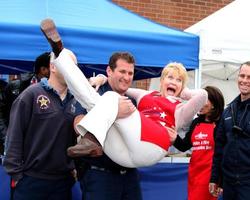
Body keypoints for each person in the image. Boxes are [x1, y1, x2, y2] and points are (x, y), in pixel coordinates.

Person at [2, 53, 84, 200]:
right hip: (31, 181)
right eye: (68, 65)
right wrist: (17, 175)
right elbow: (14, 136)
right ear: (52, 66)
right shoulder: (31, 95)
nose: (73, 70)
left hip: (63, 183)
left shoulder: (77, 100)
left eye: (75, 67)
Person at [173, 86, 225, 200]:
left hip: (210, 178)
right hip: (194, 175)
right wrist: (173, 136)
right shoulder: (196, 122)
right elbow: (183, 146)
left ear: (214, 104)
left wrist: (219, 180)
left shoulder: (221, 123)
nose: (200, 103)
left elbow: (224, 154)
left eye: (204, 100)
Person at [209, 62, 250, 200]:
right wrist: (215, 178)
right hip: (229, 184)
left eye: (249, 77)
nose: (245, 80)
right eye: (242, 76)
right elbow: (219, 148)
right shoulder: (228, 111)